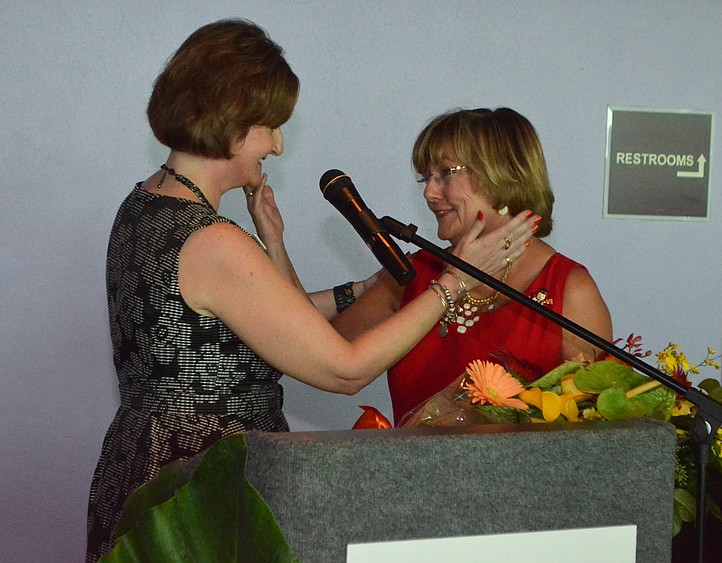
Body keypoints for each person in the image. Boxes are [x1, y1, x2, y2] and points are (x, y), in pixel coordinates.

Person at [86, 21, 537, 561]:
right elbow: (344, 369)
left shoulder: (145, 206)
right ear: (230, 120)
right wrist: (453, 283)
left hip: (145, 463)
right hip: (199, 487)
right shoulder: (212, 241)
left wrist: (340, 277)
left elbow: (272, 317)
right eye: (271, 126)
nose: (277, 144)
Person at [332, 107, 613, 424]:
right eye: (426, 178)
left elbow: (594, 433)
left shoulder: (570, 289)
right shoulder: (417, 272)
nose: (428, 192)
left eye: (446, 174)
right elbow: (326, 356)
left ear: (501, 172)